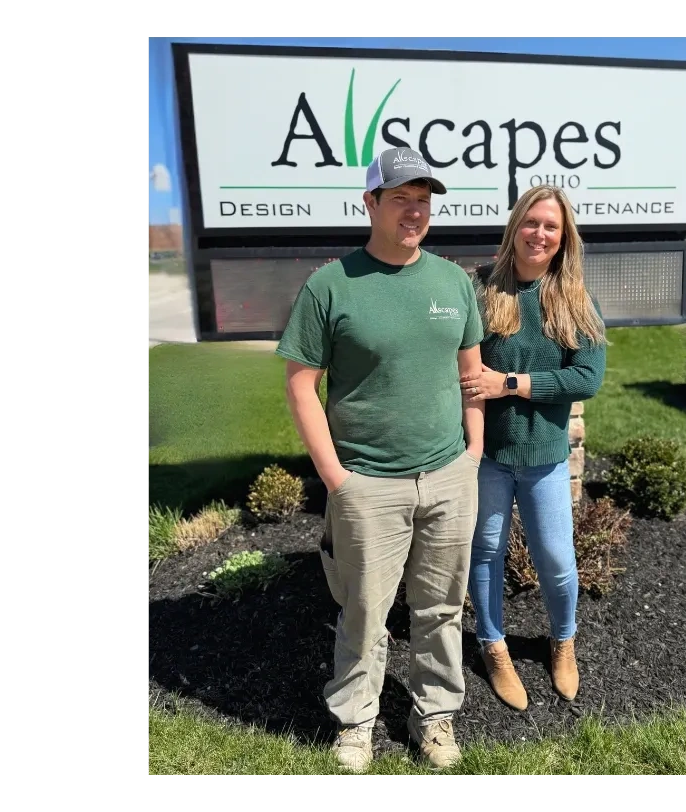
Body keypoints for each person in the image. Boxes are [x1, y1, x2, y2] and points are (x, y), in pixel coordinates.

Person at [275, 147, 485, 772]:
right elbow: (299, 385)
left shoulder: (452, 282)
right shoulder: (330, 285)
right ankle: (355, 721)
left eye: (423, 201)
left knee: (442, 607)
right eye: (400, 199)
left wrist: (473, 452)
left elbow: (469, 374)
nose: (414, 212)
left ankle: (436, 715)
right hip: (368, 483)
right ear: (369, 203)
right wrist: (338, 479)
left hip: (449, 475)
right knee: (364, 611)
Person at [459, 185, 607, 711]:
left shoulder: (572, 299)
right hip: (487, 457)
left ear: (563, 237)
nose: (539, 233)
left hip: (544, 458)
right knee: (486, 553)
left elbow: (588, 377)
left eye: (551, 226)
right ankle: (493, 645)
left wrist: (514, 384)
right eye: (531, 222)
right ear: (514, 226)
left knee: (557, 562)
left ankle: (562, 642)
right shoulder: (480, 288)